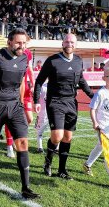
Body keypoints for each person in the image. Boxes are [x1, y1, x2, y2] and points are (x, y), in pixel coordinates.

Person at [0, 28, 40, 199]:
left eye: (24, 43)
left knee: (23, 143)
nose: (22, 46)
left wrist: (24, 105)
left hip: (15, 106)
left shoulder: (25, 57)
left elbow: (21, 83)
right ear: (9, 42)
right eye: (18, 42)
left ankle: (26, 187)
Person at [34, 34, 93, 180]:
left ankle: (62, 170)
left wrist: (92, 95)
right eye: (67, 41)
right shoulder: (52, 60)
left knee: (67, 137)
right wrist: (36, 100)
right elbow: (39, 81)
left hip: (71, 102)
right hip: (55, 101)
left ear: (76, 44)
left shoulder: (79, 60)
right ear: (62, 43)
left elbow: (81, 80)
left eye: (72, 42)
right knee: (57, 137)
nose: (69, 44)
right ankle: (48, 162)